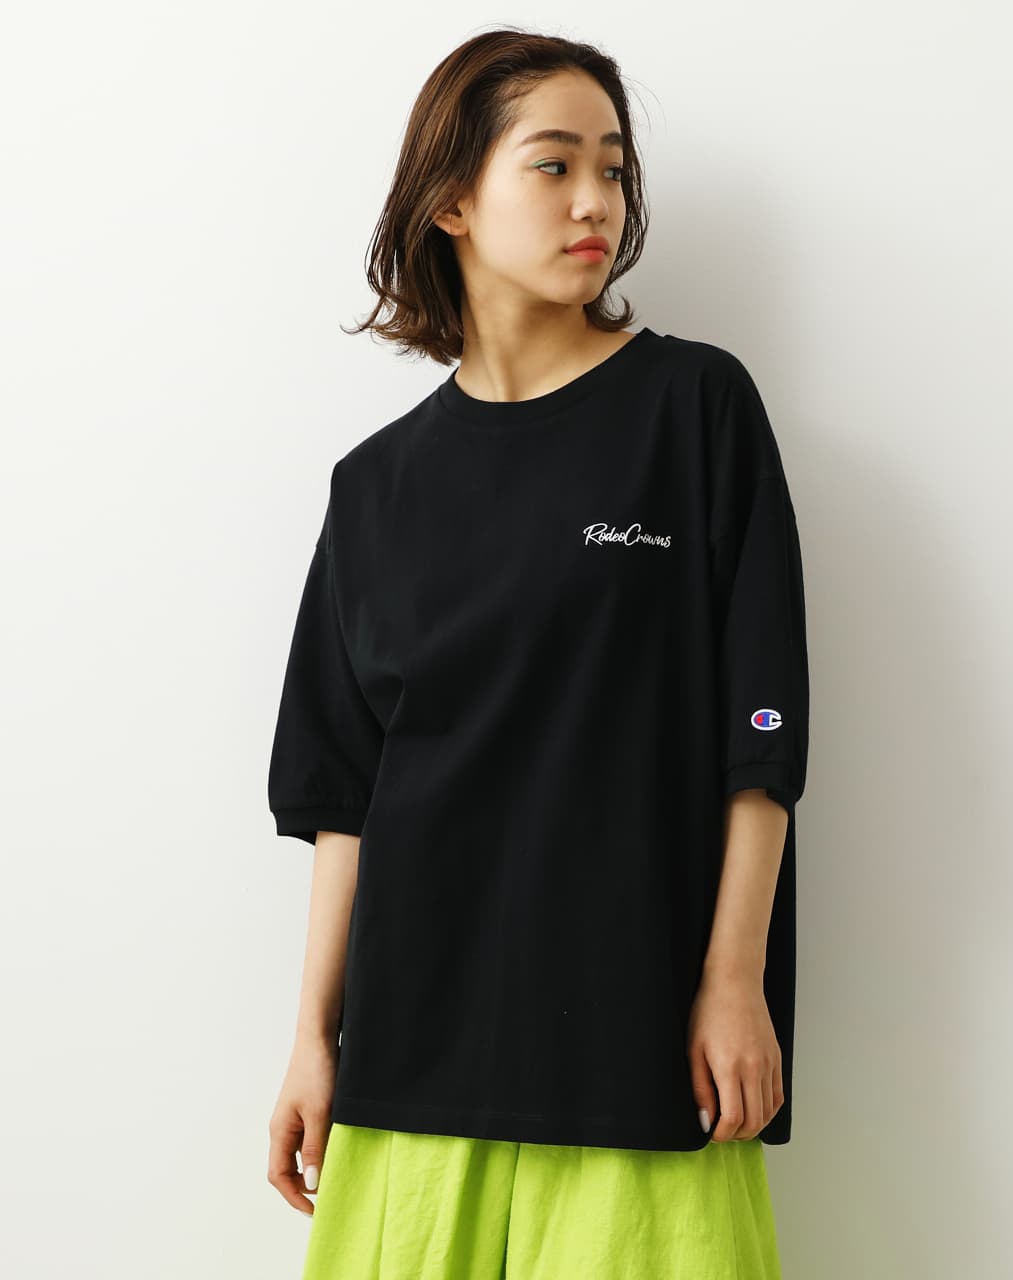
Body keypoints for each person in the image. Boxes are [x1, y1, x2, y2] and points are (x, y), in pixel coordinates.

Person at [265, 27, 809, 1280]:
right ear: (451, 200)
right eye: (554, 164)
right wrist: (311, 1037)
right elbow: (347, 798)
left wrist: (733, 978)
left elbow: (763, 731)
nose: (595, 202)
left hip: (641, 1047)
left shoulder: (695, 409)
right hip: (414, 1057)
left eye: (613, 169)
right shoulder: (375, 487)